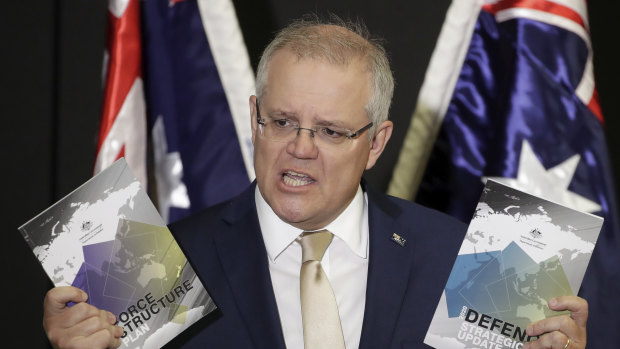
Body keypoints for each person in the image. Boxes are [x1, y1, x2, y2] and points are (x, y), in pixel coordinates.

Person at [42, 17, 589, 349]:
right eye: (281, 122)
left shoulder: (468, 259)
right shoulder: (156, 265)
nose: (299, 148)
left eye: (330, 131)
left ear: (375, 143)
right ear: (254, 118)